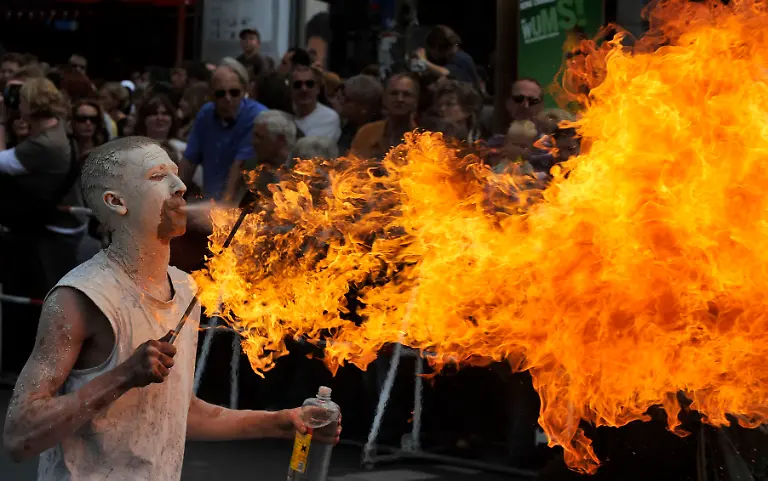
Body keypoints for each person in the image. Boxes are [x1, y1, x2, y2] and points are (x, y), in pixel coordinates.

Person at [2, 136, 342, 480]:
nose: (179, 186)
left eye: (176, 174)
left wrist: (282, 423)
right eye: (157, 176)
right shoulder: (81, 298)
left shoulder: (185, 288)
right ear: (117, 202)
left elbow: (176, 413)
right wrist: (123, 376)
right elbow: (20, 437)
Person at [179, 58, 266, 200]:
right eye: (220, 94)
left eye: (234, 93)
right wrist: (172, 198)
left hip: (240, 205)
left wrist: (222, 212)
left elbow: (238, 168)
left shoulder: (257, 117)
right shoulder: (205, 114)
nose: (228, 99)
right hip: (210, 199)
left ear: (244, 91)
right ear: (211, 95)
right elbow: (189, 161)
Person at [351, 73, 419, 160]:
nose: (400, 99)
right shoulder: (367, 133)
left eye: (406, 95)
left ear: (416, 101)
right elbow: (352, 168)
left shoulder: (424, 141)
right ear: (384, 99)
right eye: (394, 93)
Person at [413, 25, 481, 91]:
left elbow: (448, 73)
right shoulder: (454, 59)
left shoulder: (461, 58)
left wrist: (423, 61)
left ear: (436, 47)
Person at [291, 65, 341, 142]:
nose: (304, 89)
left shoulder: (328, 117)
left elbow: (309, 150)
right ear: (291, 90)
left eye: (309, 84)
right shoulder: (285, 112)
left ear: (318, 89)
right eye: (298, 84)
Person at [336, 74, 383, 154]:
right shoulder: (350, 126)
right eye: (342, 96)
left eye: (347, 99)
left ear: (364, 107)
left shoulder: (377, 134)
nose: (341, 101)